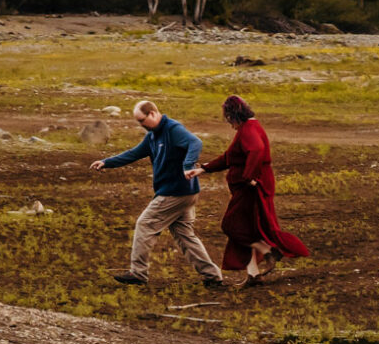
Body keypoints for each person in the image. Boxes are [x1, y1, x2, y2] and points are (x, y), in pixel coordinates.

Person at [89, 100, 225, 288]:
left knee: (145, 224)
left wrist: (187, 166)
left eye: (142, 120)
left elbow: (196, 142)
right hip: (185, 192)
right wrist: (107, 162)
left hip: (175, 192)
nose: (141, 125)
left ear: (152, 114)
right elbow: (134, 153)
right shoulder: (153, 135)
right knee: (185, 235)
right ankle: (212, 275)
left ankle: (138, 273)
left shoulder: (173, 129)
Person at [199, 95, 310, 285]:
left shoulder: (248, 130)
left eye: (229, 119)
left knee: (231, 225)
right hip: (252, 184)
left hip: (250, 187)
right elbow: (229, 157)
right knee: (250, 227)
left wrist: (249, 177)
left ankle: (269, 250)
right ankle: (253, 274)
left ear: (234, 116)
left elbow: (257, 150)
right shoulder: (248, 128)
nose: (230, 124)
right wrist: (204, 168)